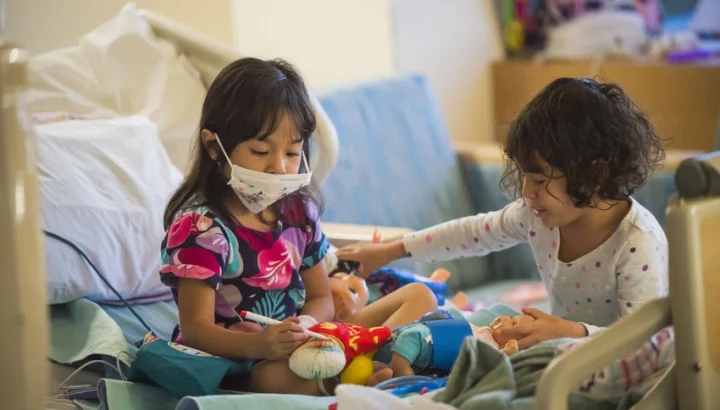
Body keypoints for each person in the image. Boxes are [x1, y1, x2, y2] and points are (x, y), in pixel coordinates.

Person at [159, 58, 435, 396]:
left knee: (420, 295)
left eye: (292, 152)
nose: (279, 167)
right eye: (261, 151)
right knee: (281, 378)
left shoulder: (298, 212)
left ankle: (366, 360)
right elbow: (197, 330)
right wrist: (261, 345)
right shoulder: (201, 227)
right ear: (215, 147)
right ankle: (362, 371)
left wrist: (307, 326)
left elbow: (320, 296)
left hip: (306, 338)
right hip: (245, 358)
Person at [337, 77, 669, 349]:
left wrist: (572, 332)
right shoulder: (537, 216)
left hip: (614, 364)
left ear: (594, 175)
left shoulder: (636, 242)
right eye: (525, 177)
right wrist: (389, 251)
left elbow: (646, 344)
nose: (527, 192)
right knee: (478, 323)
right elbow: (472, 233)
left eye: (539, 180)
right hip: (563, 349)